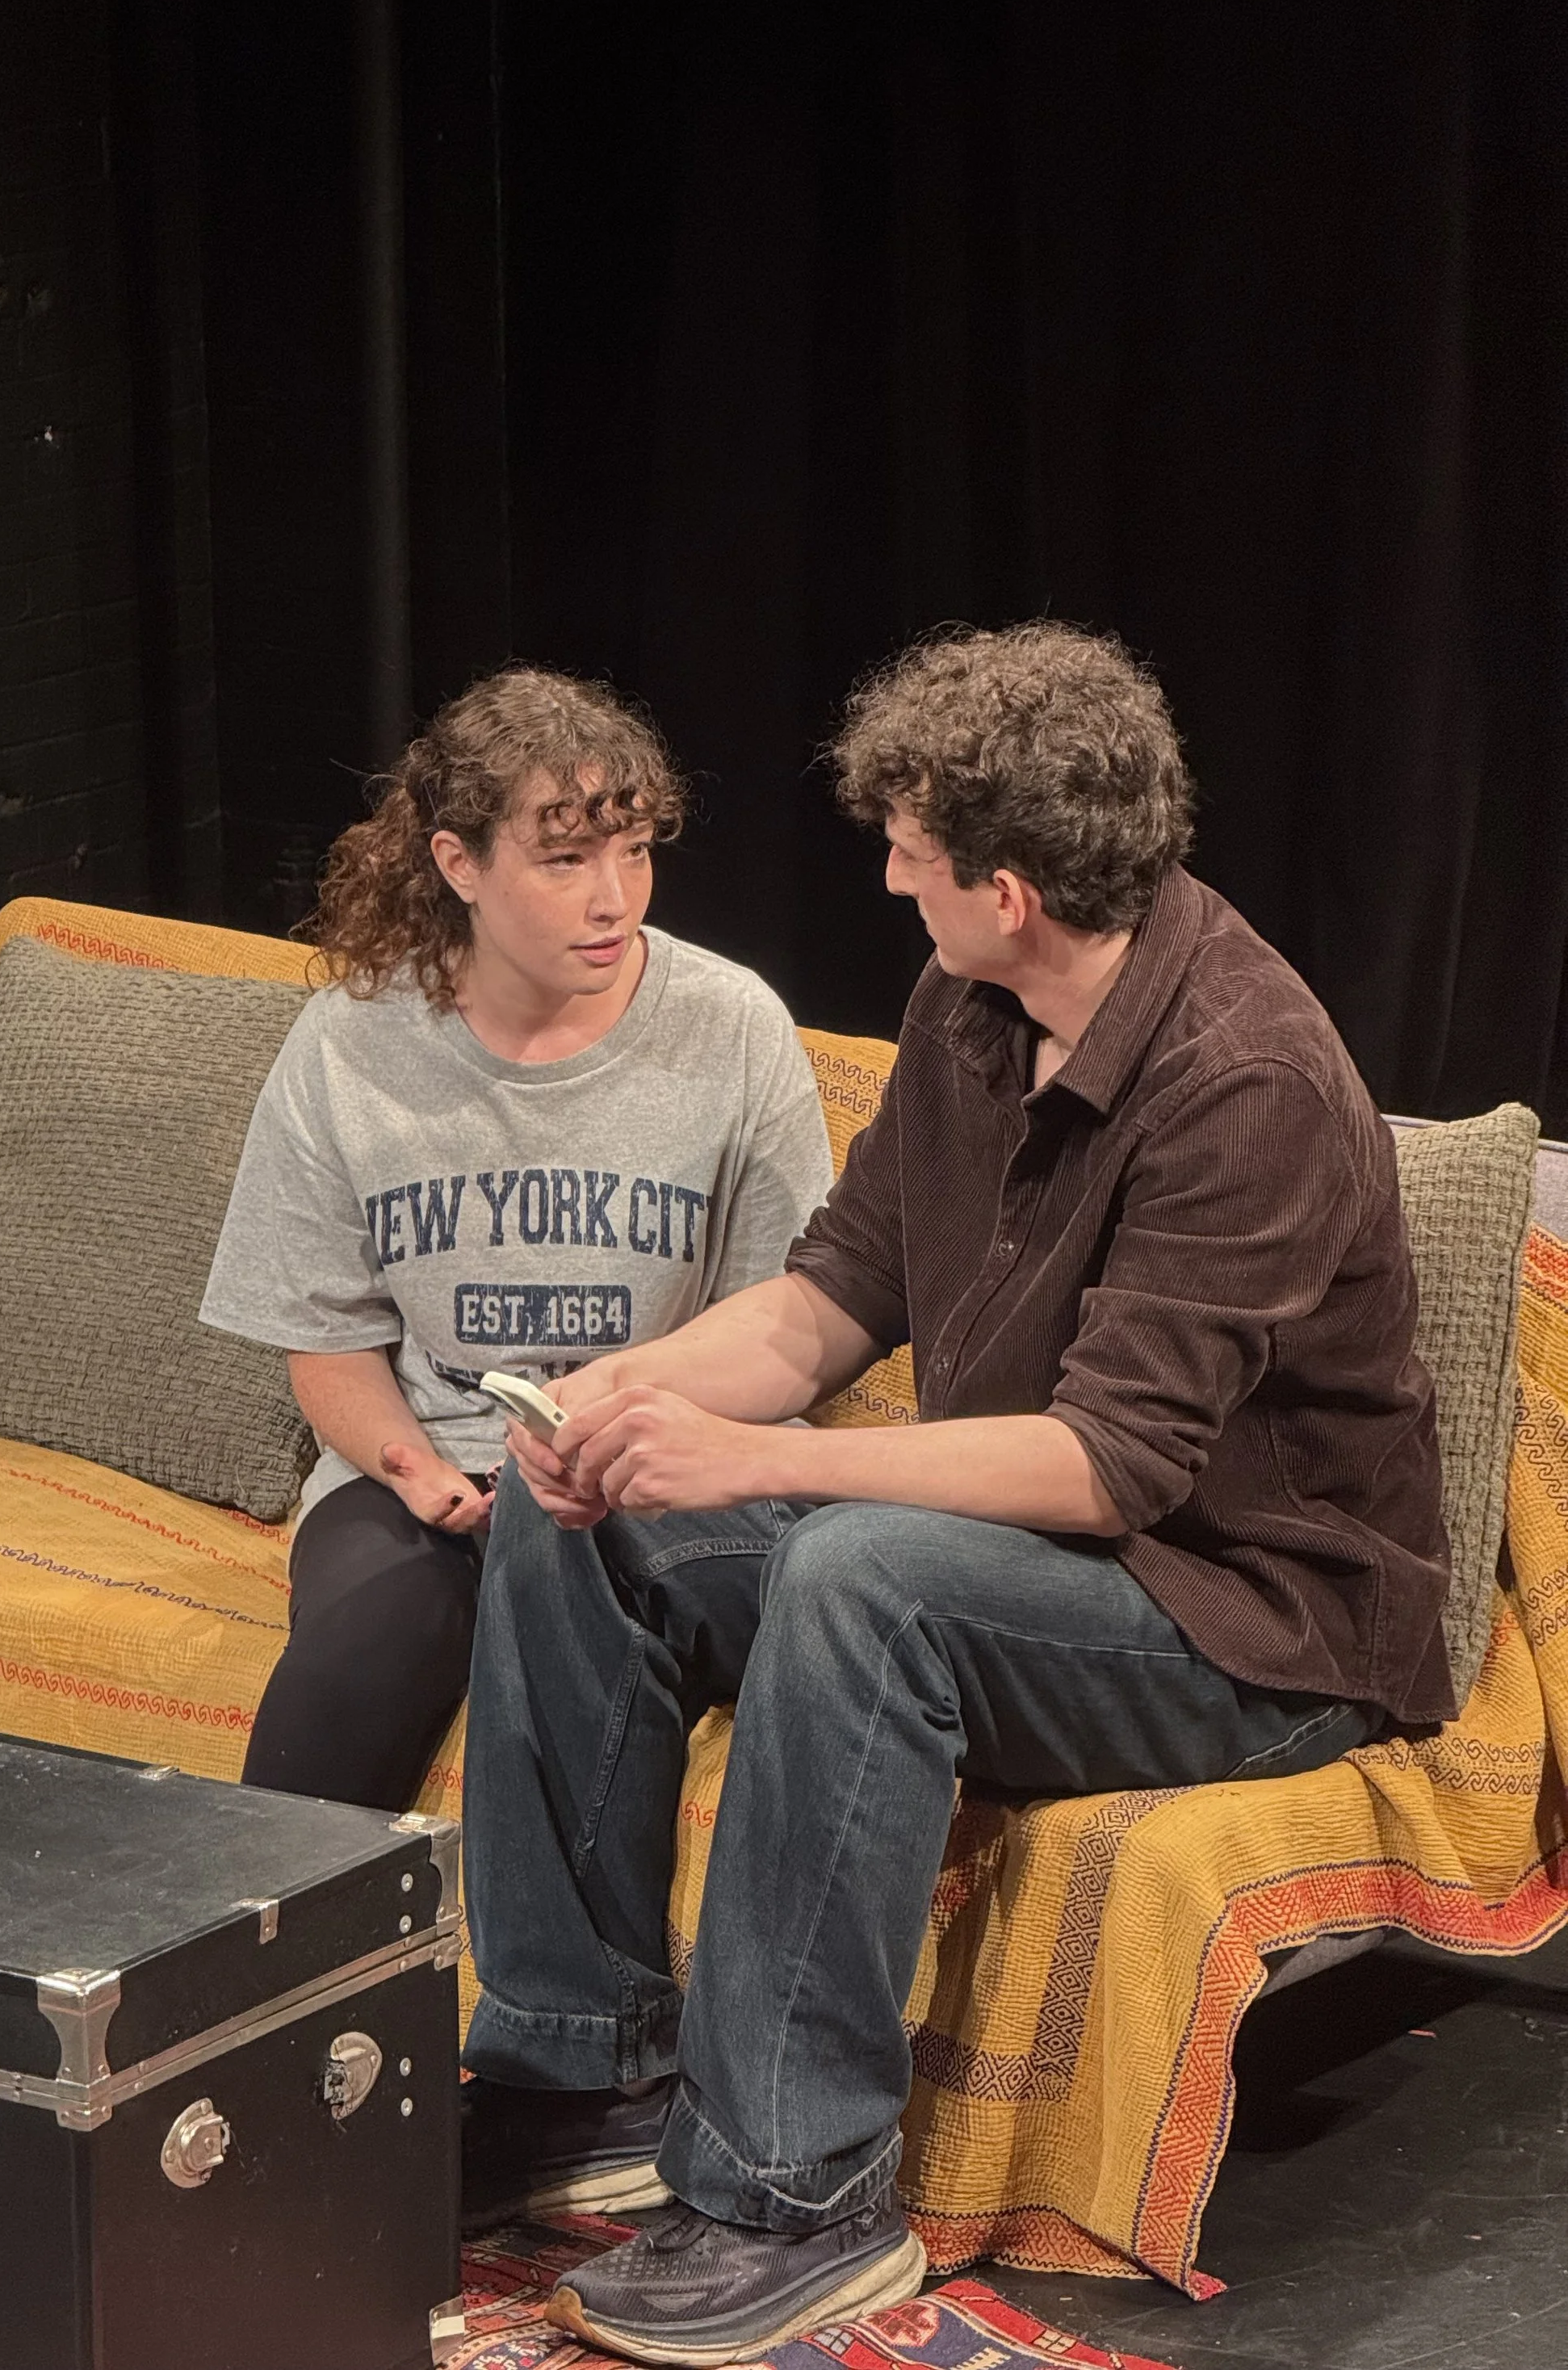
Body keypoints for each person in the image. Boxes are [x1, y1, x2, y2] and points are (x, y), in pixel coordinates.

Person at [461, 623, 1452, 2366]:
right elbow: (834, 1295)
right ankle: (587, 2080)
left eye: (913, 848)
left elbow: (1105, 1465)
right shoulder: (970, 1005)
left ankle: (793, 2197)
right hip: (1040, 1561)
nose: (890, 870)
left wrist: (761, 1458)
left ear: (1007, 885)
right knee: (590, 1512)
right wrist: (629, 1395)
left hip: (1248, 1624)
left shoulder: (1245, 1078)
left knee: (862, 1574)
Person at [199, 666, 834, 1813]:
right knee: (369, 1650)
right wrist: (416, 1471)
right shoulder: (352, 1041)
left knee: (806, 1646)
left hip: (659, 1477)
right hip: (423, 1482)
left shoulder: (732, 1027)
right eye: (565, 859)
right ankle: (259, 1975)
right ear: (459, 865)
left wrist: (637, 1456)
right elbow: (325, 1337)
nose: (615, 897)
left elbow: (782, 1325)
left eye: (634, 850)